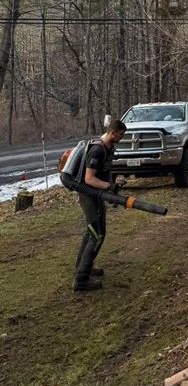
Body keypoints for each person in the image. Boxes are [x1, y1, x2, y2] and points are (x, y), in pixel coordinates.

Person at [72, 117, 127, 292]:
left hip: (96, 194)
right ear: (113, 133)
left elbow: (105, 171)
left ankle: (83, 266)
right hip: (88, 194)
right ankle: (81, 280)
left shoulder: (108, 148)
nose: (122, 138)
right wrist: (108, 186)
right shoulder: (97, 150)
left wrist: (111, 188)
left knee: (93, 231)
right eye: (121, 135)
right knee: (97, 234)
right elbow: (89, 178)